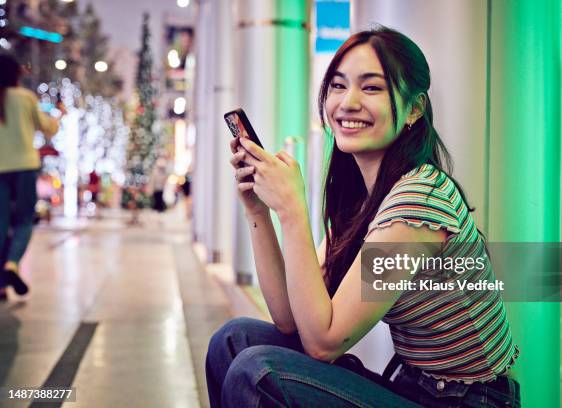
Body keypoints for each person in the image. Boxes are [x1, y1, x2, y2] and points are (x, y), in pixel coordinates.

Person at [206, 27, 520, 407]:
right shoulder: (363, 198)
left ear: (415, 109)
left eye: (371, 88)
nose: (347, 102)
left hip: (468, 401)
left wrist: (292, 211)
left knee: (259, 372)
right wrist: (257, 209)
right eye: (338, 86)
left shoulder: (417, 200)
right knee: (233, 339)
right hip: (412, 387)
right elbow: (290, 320)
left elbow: (324, 342)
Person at [0, 53, 60, 299]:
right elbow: (47, 127)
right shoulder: (24, 98)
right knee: (24, 220)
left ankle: (1, 282)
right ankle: (12, 264)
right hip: (24, 166)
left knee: (2, 224)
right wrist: (57, 115)